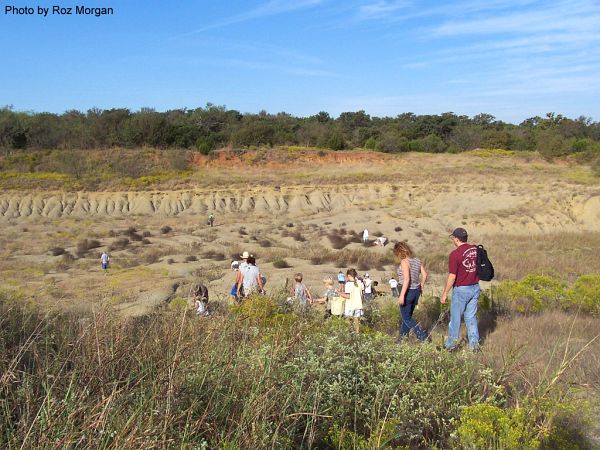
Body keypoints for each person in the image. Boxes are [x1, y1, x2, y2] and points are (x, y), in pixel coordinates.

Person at [440, 228, 481, 351]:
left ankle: (450, 346)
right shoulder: (475, 250)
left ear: (456, 239)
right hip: (475, 286)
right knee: (471, 318)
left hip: (461, 289)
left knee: (455, 320)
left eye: (453, 237)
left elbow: (452, 276)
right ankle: (474, 347)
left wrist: (445, 293)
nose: (453, 239)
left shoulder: (455, 254)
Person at [394, 241, 428, 342]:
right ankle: (401, 340)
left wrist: (402, 296)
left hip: (407, 291)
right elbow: (425, 275)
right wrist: (421, 286)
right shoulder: (417, 260)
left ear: (399, 251)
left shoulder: (405, 261)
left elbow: (407, 279)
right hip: (416, 291)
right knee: (407, 317)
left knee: (407, 318)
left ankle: (423, 337)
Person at [341, 268, 364, 333]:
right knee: (356, 322)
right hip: (358, 305)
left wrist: (339, 293)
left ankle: (348, 335)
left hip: (350, 306)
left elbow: (347, 296)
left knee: (348, 322)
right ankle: (357, 334)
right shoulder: (359, 283)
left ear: (348, 276)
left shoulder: (348, 284)